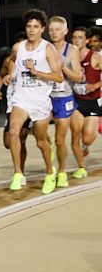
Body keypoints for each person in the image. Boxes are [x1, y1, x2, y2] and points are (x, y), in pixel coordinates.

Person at [3, 9, 63, 194]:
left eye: (35, 27)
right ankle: (18, 173)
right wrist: (9, 75)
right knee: (13, 132)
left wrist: (36, 72)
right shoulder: (18, 47)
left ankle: (50, 171)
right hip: (21, 97)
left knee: (41, 142)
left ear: (42, 29)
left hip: (40, 100)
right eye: (29, 26)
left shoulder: (47, 48)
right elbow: (12, 61)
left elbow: (58, 77)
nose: (31, 30)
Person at [48, 16, 83, 187]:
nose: (54, 33)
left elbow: (78, 76)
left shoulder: (71, 51)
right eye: (51, 30)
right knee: (36, 131)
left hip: (63, 98)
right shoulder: (44, 48)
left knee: (60, 140)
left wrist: (62, 67)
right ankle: (49, 158)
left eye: (57, 29)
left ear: (65, 31)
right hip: (45, 97)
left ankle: (61, 172)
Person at [0, 32, 32, 184]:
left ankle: (19, 172)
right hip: (12, 103)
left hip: (27, 103)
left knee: (20, 138)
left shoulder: (32, 61)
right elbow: (2, 75)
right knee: (8, 142)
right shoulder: (9, 61)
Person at [69, 26, 102, 174]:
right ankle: (81, 167)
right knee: (75, 135)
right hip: (75, 100)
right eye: (74, 37)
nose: (76, 40)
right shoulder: (69, 56)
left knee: (87, 138)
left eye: (80, 37)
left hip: (92, 102)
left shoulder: (94, 57)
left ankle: (86, 145)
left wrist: (96, 85)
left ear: (87, 40)